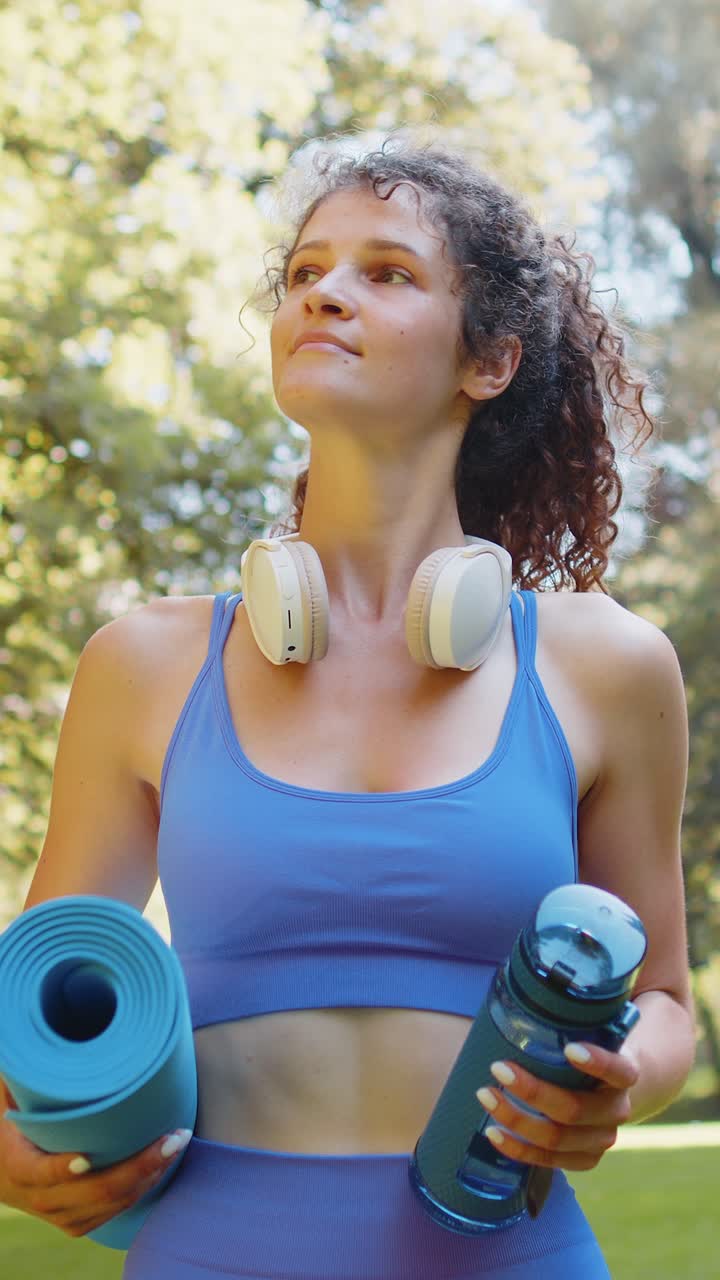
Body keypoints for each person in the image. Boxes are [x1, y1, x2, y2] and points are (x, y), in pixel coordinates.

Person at [0, 139, 695, 1278]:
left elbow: (663, 996)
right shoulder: (145, 663)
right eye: (306, 270)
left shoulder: (609, 665)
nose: (324, 289)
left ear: (492, 360)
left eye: (389, 272)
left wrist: (627, 1078)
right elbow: (37, 995)